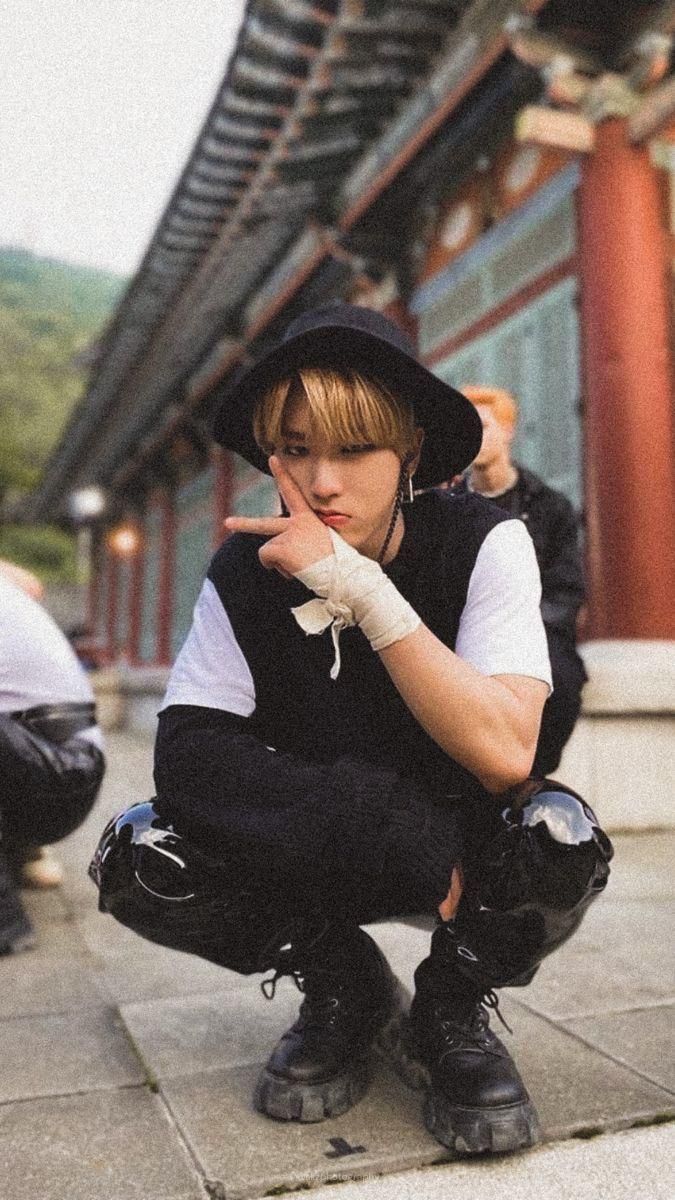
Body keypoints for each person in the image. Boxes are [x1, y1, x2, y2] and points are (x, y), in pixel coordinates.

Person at [89, 304, 612, 1156]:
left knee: (558, 835)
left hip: (465, 851)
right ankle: (346, 984)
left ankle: (448, 1007)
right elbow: (187, 756)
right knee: (141, 856)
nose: (322, 483)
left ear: (409, 452)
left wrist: (363, 591)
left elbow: (504, 749)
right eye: (295, 450)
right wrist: (388, 827)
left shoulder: (488, 542)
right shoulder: (242, 570)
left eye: (355, 449)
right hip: (324, 846)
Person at [449, 386, 588, 776]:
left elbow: (566, 589)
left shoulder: (550, 505)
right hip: (460, 626)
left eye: (484, 426)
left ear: (508, 430)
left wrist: (516, 625)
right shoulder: (448, 504)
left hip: (536, 630)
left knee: (559, 679)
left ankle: (531, 776)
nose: (475, 438)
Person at [0, 560, 106, 951]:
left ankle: (5, 922)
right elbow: (30, 583)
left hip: (57, 778)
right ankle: (23, 856)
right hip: (63, 766)